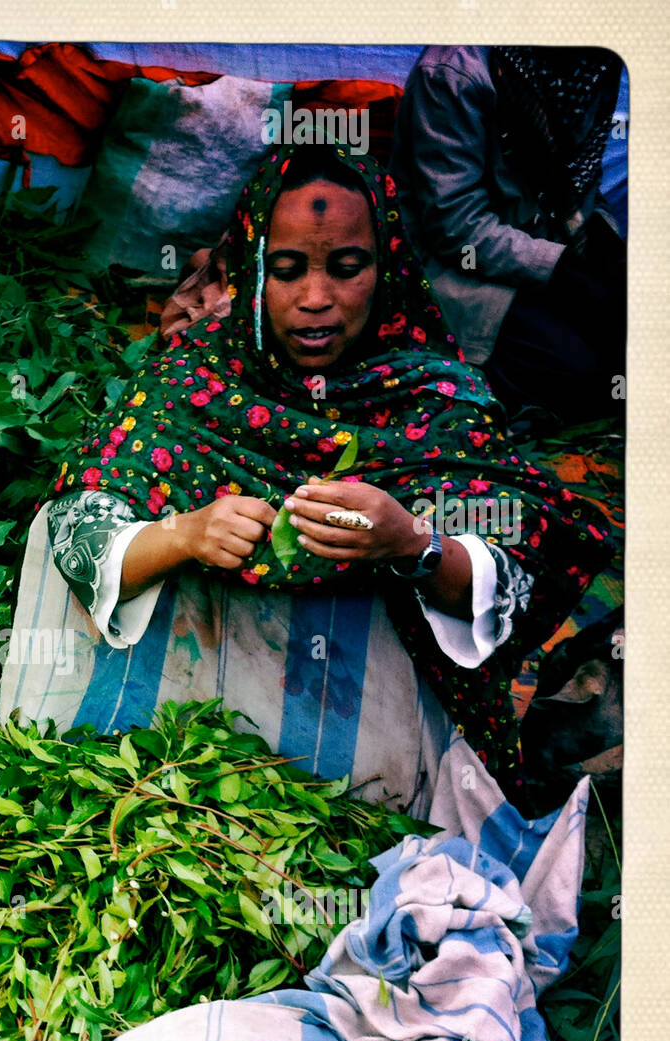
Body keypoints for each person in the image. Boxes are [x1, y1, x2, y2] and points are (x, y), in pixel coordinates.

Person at [47, 142, 613, 798]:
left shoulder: (440, 399)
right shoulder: (190, 379)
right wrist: (185, 535)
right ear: (251, 273)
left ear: (389, 268)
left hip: (377, 761)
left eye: (347, 267)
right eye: (287, 269)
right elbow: (78, 521)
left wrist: (412, 544)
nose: (317, 298)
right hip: (181, 731)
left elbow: (525, 567)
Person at [389, 46, 625, 427]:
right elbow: (457, 227)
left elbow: (581, 183)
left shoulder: (599, 63)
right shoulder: (454, 72)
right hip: (457, 270)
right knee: (582, 376)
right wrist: (562, 269)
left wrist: (602, 247)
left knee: (629, 345)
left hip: (539, 255)